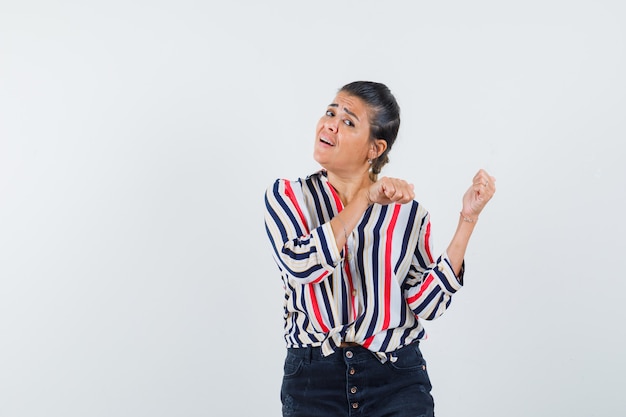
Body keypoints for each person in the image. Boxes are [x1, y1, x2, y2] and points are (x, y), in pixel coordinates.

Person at [264, 81, 495, 417]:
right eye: (331, 112)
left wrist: (467, 219)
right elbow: (301, 266)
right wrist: (364, 199)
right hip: (313, 381)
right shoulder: (288, 197)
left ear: (375, 148)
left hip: (396, 379)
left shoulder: (408, 213)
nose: (330, 124)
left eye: (348, 121)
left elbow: (426, 304)